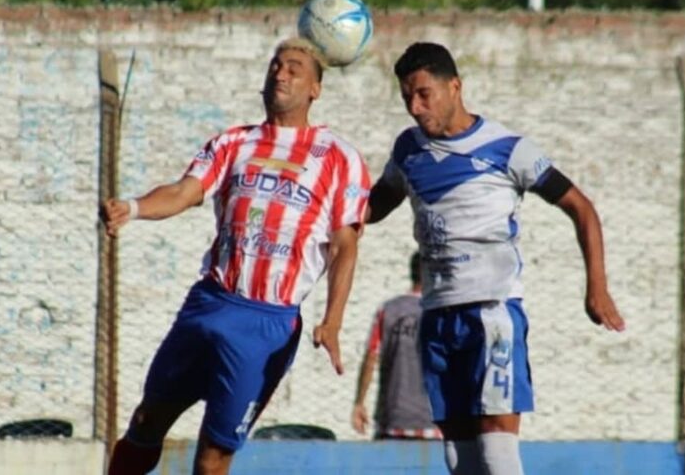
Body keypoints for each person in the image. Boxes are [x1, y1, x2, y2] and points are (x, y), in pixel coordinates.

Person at [101, 37, 371, 475]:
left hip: (266, 324)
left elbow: (345, 244)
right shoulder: (234, 142)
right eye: (275, 65)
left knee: (213, 459)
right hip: (210, 303)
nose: (281, 74)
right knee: (146, 421)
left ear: (316, 89)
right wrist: (132, 208)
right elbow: (185, 192)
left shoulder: (341, 159)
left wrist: (333, 320)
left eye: (295, 68)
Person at [366, 42, 625, 475]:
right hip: (437, 315)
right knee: (459, 458)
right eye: (407, 96)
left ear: (455, 87)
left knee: (495, 449)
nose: (414, 107)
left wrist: (596, 287)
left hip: (492, 312)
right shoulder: (407, 150)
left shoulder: (506, 148)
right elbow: (372, 208)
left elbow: (581, 207)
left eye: (424, 94)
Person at [351, 251, 441, 440]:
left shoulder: (389, 309)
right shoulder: (444, 312)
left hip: (393, 418)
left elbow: (371, 356)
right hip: (436, 421)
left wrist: (359, 402)